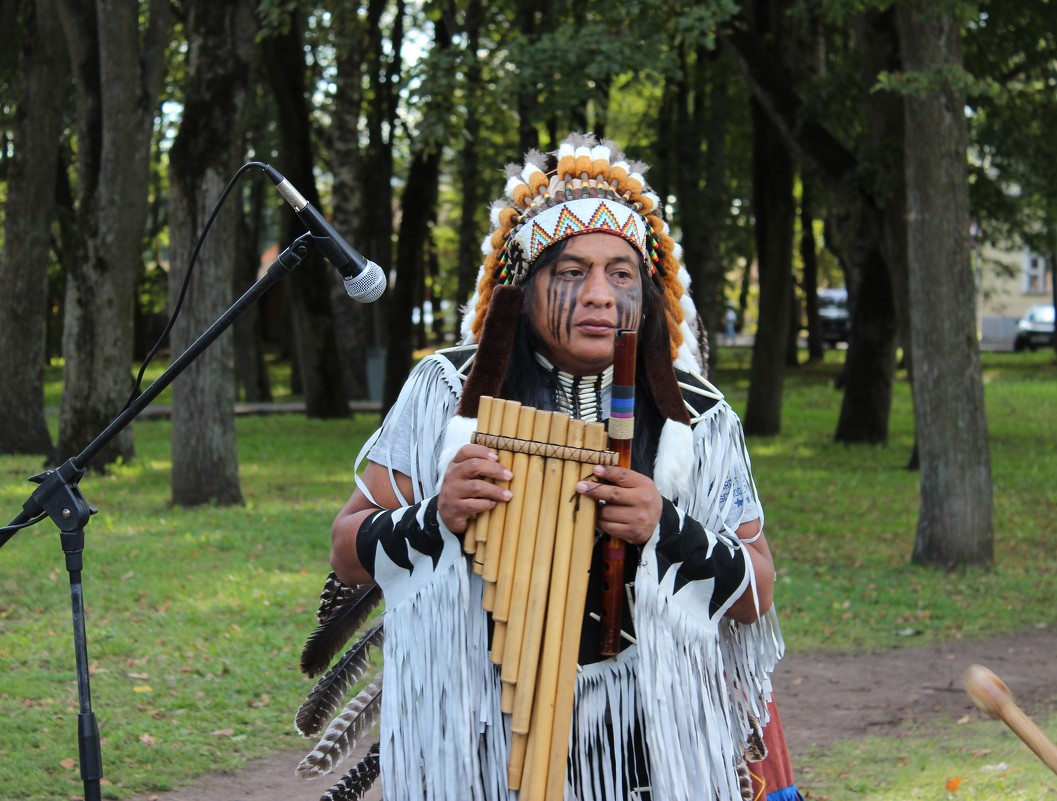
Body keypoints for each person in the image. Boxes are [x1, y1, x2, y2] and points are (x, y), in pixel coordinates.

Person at [328, 133, 793, 800]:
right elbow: (348, 551)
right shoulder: (444, 389)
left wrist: (665, 528)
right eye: (571, 272)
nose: (599, 295)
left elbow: (756, 594)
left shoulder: (696, 414)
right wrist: (437, 516)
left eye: (620, 273)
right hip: (483, 725)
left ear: (646, 290)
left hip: (650, 737)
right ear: (525, 285)